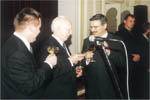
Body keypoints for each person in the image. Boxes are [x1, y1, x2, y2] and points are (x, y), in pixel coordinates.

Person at [1, 7, 57, 99]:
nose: (39, 31)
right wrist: (48, 64)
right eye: (39, 28)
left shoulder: (12, 42)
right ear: (31, 28)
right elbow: (29, 86)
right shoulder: (17, 52)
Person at [38, 16, 84, 99]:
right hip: (57, 94)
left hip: (67, 92)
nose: (71, 33)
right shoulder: (48, 45)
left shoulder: (62, 44)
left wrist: (74, 71)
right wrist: (71, 61)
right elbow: (50, 72)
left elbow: (62, 66)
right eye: (68, 29)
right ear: (57, 29)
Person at [82, 14, 126, 99]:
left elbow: (122, 63)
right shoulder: (87, 41)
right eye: (91, 27)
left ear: (105, 26)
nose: (92, 30)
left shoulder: (116, 40)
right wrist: (86, 60)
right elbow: (83, 64)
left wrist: (109, 52)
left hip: (110, 88)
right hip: (92, 89)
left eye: (95, 27)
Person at [117, 14, 142, 99]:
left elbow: (139, 46)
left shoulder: (135, 33)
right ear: (125, 21)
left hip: (136, 65)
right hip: (126, 66)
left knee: (135, 88)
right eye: (130, 21)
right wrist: (132, 57)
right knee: (126, 89)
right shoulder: (119, 34)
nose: (132, 23)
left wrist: (139, 55)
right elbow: (119, 51)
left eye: (133, 21)